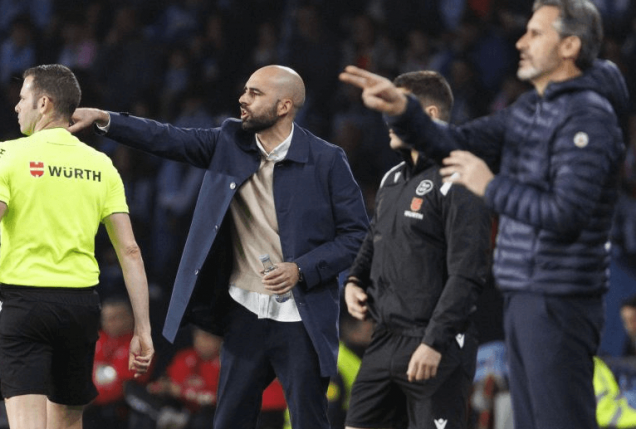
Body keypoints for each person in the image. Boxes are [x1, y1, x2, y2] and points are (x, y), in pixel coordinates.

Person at [339, 1, 629, 428]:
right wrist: (405, 112)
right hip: (522, 294)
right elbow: (455, 141)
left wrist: (489, 185)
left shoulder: (590, 117)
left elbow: (567, 213)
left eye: (534, 33)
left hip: (560, 298)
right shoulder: (529, 110)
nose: (520, 41)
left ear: (569, 45)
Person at [69, 65, 369, 429]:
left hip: (300, 319)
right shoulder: (230, 141)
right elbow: (168, 138)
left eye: (255, 93)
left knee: (309, 421)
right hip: (244, 314)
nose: (243, 99)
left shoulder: (326, 159)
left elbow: (356, 235)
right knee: (228, 421)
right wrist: (107, 119)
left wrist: (301, 268)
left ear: (284, 105)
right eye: (245, 90)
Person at [0, 64, 154, 429]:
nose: (16, 106)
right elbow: (130, 251)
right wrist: (143, 327)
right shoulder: (101, 164)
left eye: (22, 98)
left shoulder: (6, 153)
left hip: (23, 305)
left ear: (44, 103)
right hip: (80, 307)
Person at [342, 71, 492, 429]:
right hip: (384, 339)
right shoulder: (392, 179)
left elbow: (468, 272)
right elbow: (374, 236)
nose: (387, 118)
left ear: (430, 116)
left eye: (397, 107)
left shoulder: (460, 176)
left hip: (434, 344)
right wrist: (353, 279)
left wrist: (434, 342)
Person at [84, 298, 153, 429]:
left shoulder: (140, 344)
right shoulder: (96, 339)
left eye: (116, 318)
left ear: (130, 317)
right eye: (106, 318)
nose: (110, 323)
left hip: (117, 409)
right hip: (89, 402)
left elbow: (124, 386)